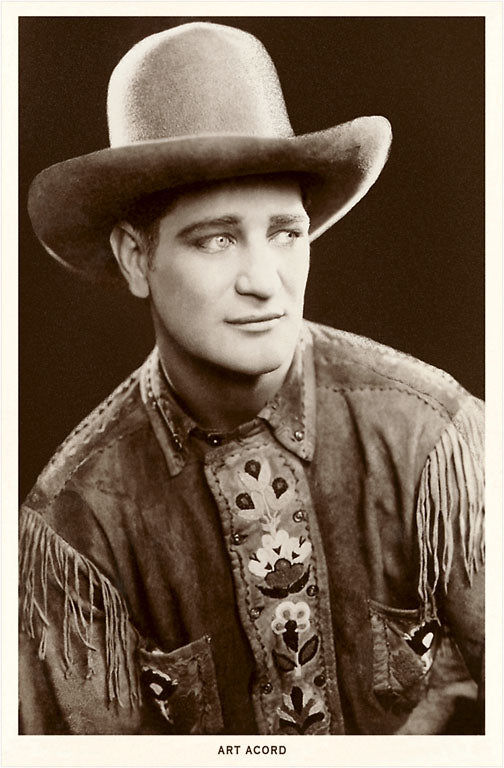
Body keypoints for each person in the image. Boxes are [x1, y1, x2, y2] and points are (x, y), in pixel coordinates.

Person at [19, 21, 484, 736]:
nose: (265, 281)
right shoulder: (79, 523)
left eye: (286, 233)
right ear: (137, 258)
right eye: (217, 239)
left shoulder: (434, 438)